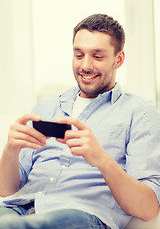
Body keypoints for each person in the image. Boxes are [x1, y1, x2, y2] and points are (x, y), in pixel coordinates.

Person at [0, 13, 160, 229]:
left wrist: (102, 159)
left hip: (82, 215)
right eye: (78, 55)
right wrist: (11, 150)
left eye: (97, 56)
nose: (85, 65)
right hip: (19, 208)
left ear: (118, 59)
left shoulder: (140, 111)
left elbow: (148, 209)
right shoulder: (46, 107)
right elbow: (5, 189)